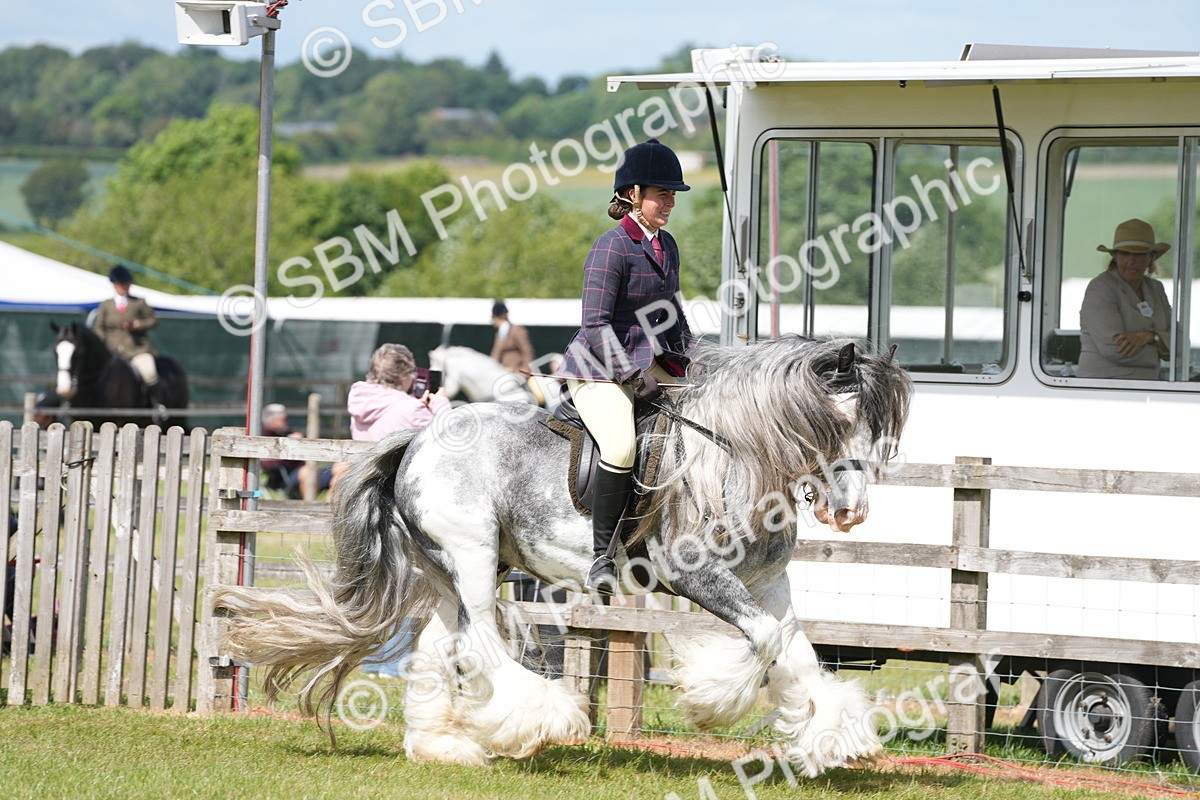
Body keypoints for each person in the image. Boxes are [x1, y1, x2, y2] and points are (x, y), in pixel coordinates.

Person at [556, 138, 694, 595]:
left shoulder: (666, 246)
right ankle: (601, 557)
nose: (670, 202)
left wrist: (695, 361)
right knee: (619, 447)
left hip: (650, 364)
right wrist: (632, 376)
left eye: (674, 195)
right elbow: (594, 323)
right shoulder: (611, 248)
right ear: (633, 194)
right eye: (663, 194)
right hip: (597, 369)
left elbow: (671, 311)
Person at [329, 344, 453, 491]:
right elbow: (448, 438)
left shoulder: (360, 400)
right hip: (397, 486)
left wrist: (414, 403)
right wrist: (441, 403)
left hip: (363, 481)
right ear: (404, 375)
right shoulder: (411, 408)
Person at [1078, 218, 1172, 379]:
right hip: (1104, 389)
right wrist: (1161, 347)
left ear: (1151, 257)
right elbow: (1114, 349)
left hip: (1148, 389)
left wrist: (1149, 336)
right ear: (1115, 256)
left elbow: (1180, 342)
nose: (1131, 261)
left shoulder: (1156, 288)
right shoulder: (1101, 287)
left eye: (1139, 254)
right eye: (1124, 253)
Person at [92, 265, 165, 412]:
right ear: (114, 284)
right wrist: (103, 342)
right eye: (121, 284)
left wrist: (138, 324)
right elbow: (99, 326)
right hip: (111, 350)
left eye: (126, 284)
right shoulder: (106, 305)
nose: (124, 287)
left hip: (136, 349)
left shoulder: (139, 302)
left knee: (149, 372)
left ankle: (156, 404)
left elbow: (153, 320)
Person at [259, 403, 332, 500]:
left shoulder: (288, 432)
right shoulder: (264, 436)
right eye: (283, 420)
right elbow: (268, 463)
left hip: (302, 470)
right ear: (272, 420)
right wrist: (290, 448)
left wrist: (301, 443)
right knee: (306, 472)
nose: (285, 423)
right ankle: (309, 507)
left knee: (338, 470)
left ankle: (329, 510)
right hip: (285, 476)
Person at [490, 300, 536, 373]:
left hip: (518, 372)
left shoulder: (517, 330)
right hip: (503, 372)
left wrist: (525, 370)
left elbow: (527, 351)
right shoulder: (499, 334)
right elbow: (496, 355)